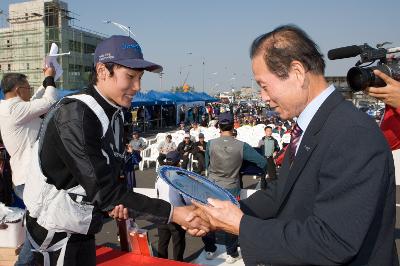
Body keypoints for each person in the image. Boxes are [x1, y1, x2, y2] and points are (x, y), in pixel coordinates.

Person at [190, 25, 398, 265]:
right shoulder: (311, 126)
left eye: (264, 85)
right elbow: (281, 193)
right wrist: (223, 212)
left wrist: (240, 225)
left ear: (297, 72)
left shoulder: (352, 133)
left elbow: (333, 242)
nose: (263, 97)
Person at [23, 35, 208, 266]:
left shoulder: (117, 113)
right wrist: (176, 213)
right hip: (54, 230)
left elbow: (109, 179)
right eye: (130, 77)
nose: (138, 87)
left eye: (139, 78)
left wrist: (116, 205)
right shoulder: (76, 115)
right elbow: (104, 191)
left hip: (82, 226)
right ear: (102, 71)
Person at [0, 68, 57, 266]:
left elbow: (35, 100)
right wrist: (50, 78)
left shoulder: (9, 107)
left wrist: (44, 83)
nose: (30, 91)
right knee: (40, 228)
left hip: (26, 178)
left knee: (43, 226)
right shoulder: (15, 110)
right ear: (18, 90)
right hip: (30, 179)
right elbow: (49, 102)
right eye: (27, 88)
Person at [202, 112, 266, 264]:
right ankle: (231, 252)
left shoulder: (210, 143)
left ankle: (210, 249)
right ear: (233, 125)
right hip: (231, 188)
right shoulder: (241, 145)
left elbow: (206, 165)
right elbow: (262, 162)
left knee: (209, 218)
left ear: (219, 126)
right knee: (231, 220)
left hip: (212, 186)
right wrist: (243, 167)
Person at [155, 151, 188, 261]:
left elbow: (158, 193)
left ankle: (161, 263)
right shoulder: (180, 176)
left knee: (162, 242)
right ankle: (178, 263)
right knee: (178, 243)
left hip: (161, 213)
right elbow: (186, 199)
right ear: (178, 162)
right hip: (176, 214)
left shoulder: (159, 175)